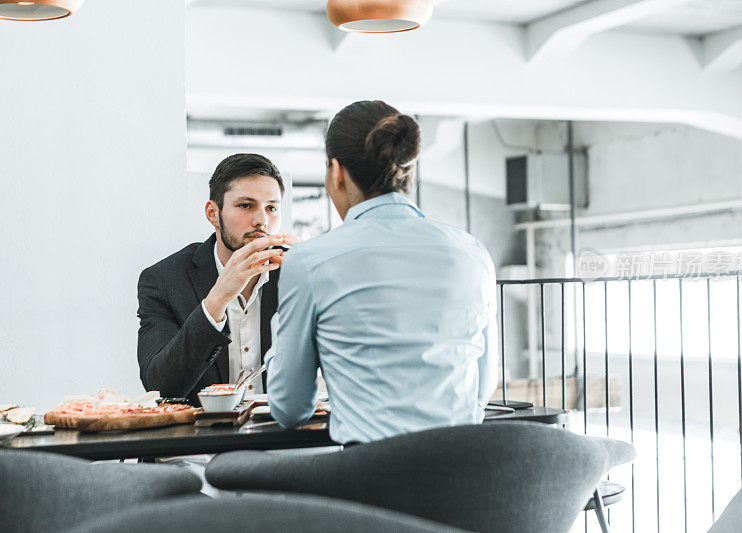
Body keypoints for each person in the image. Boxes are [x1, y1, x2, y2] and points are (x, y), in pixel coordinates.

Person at [266, 101, 499, 444]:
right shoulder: (473, 253)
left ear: (336, 172)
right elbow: (482, 389)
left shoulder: (310, 261)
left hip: (370, 480)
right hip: (465, 477)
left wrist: (282, 337)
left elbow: (290, 408)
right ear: (409, 172)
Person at [137, 153, 298, 404]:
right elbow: (161, 387)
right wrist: (217, 299)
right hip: (203, 440)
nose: (262, 221)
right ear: (213, 213)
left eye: (271, 208)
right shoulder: (163, 280)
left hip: (284, 434)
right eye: (246, 205)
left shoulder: (298, 272)